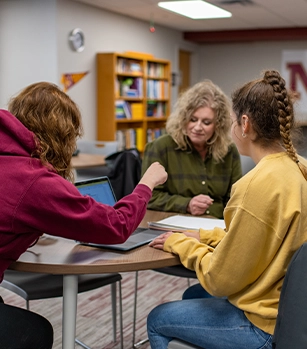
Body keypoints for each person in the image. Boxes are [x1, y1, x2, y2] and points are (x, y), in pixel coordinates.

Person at [0, 81, 167, 349]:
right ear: (61, 135)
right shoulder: (33, 180)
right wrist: (146, 184)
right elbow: (116, 226)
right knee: (34, 332)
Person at [147, 70, 307, 349]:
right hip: (291, 312)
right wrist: (207, 237)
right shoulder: (300, 168)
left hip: (263, 325)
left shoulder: (255, 185)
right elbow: (263, 240)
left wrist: (182, 244)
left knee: (157, 318)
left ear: (244, 124)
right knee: (192, 297)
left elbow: (218, 280)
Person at [141, 80, 242, 219]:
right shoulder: (161, 148)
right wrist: (186, 204)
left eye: (206, 122)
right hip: (173, 224)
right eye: (193, 119)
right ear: (183, 118)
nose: (198, 127)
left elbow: (235, 198)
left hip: (216, 227)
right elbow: (148, 197)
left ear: (218, 125)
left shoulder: (229, 151)